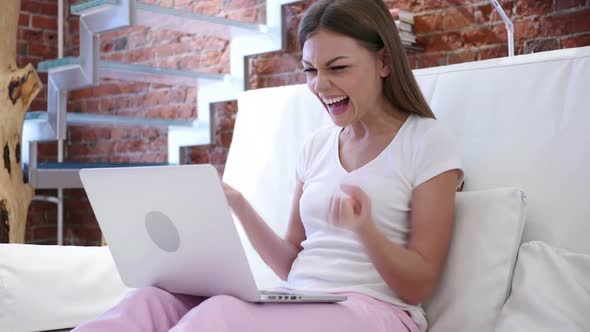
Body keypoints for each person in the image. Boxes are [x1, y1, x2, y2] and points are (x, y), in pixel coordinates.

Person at [73, 0, 463, 331]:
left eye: (338, 68)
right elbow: (292, 264)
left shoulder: (427, 141)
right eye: (311, 70)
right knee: (148, 302)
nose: (320, 85)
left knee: (219, 316)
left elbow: (418, 286)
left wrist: (366, 230)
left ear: (383, 62)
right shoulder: (316, 146)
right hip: (304, 299)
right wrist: (239, 204)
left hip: (378, 312)